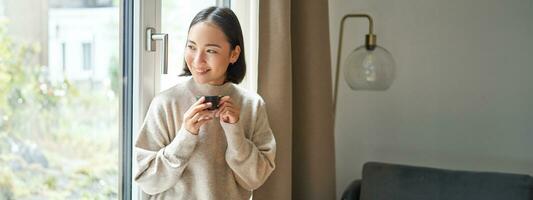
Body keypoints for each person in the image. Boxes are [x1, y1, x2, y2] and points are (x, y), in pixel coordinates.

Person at [134, 6, 276, 200]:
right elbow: (147, 181)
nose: (197, 60)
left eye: (210, 50)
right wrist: (185, 137)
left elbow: (255, 179)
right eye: (191, 47)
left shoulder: (252, 105)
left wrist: (235, 132)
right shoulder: (165, 104)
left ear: (234, 54)